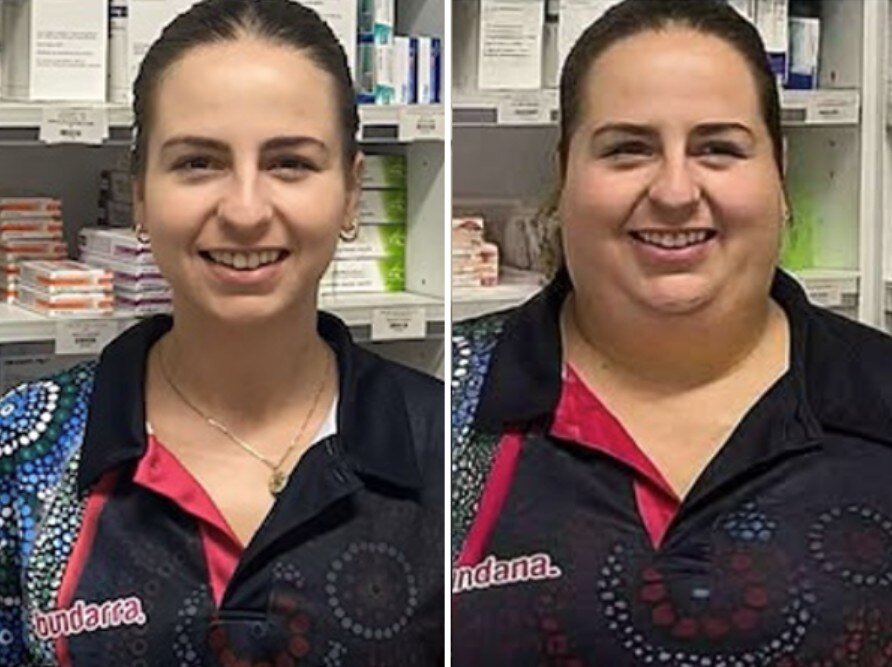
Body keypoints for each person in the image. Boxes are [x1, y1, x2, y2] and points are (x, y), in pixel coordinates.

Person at [0, 1, 443, 665]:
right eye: (198, 162)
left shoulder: (452, 444)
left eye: (290, 163)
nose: (244, 210)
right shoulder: (22, 448)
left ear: (352, 193)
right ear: (140, 194)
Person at [452, 0, 892, 663]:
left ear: (780, 171)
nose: (676, 191)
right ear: (565, 170)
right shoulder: (439, 410)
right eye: (628, 149)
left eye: (719, 148)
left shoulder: (879, 397)